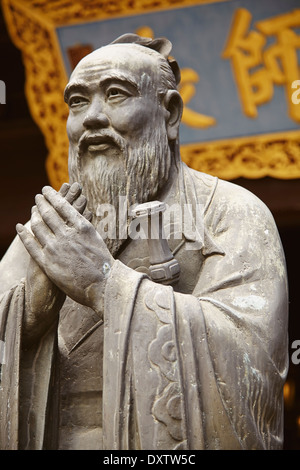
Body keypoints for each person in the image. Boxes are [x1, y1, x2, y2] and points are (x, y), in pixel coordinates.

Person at [0, 34, 288, 450]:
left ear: (169, 114)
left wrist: (104, 284)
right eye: (78, 102)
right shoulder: (54, 224)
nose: (92, 118)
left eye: (116, 94)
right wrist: (27, 313)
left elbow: (250, 359)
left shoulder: (230, 212)